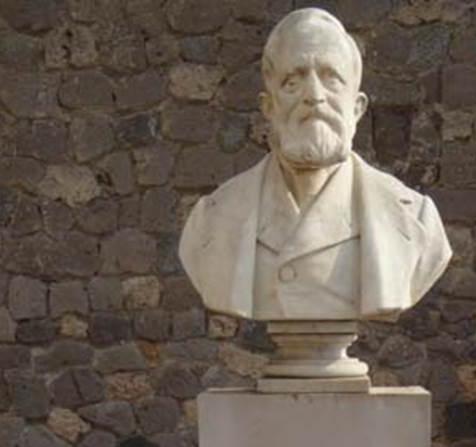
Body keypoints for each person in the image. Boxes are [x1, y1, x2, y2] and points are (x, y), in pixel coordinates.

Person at [179, 7, 451, 323]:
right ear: (268, 107)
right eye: (293, 82)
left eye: (331, 79)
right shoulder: (213, 219)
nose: (314, 96)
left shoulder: (414, 219)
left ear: (357, 107)